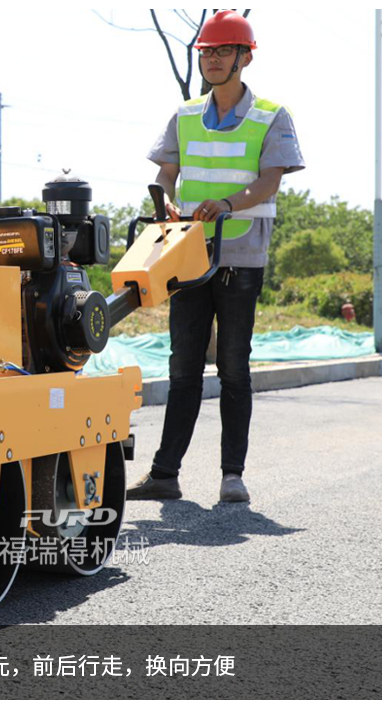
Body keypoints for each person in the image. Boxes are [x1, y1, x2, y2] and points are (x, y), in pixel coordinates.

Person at [127, 10, 305, 503]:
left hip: (241, 255)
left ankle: (232, 476)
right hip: (189, 252)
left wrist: (226, 204)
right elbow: (166, 174)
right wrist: (166, 201)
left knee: (233, 367)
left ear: (245, 58)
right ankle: (165, 475)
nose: (213, 59)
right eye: (207, 51)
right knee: (183, 367)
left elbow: (269, 181)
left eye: (224, 51)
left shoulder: (271, 115)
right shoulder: (184, 114)